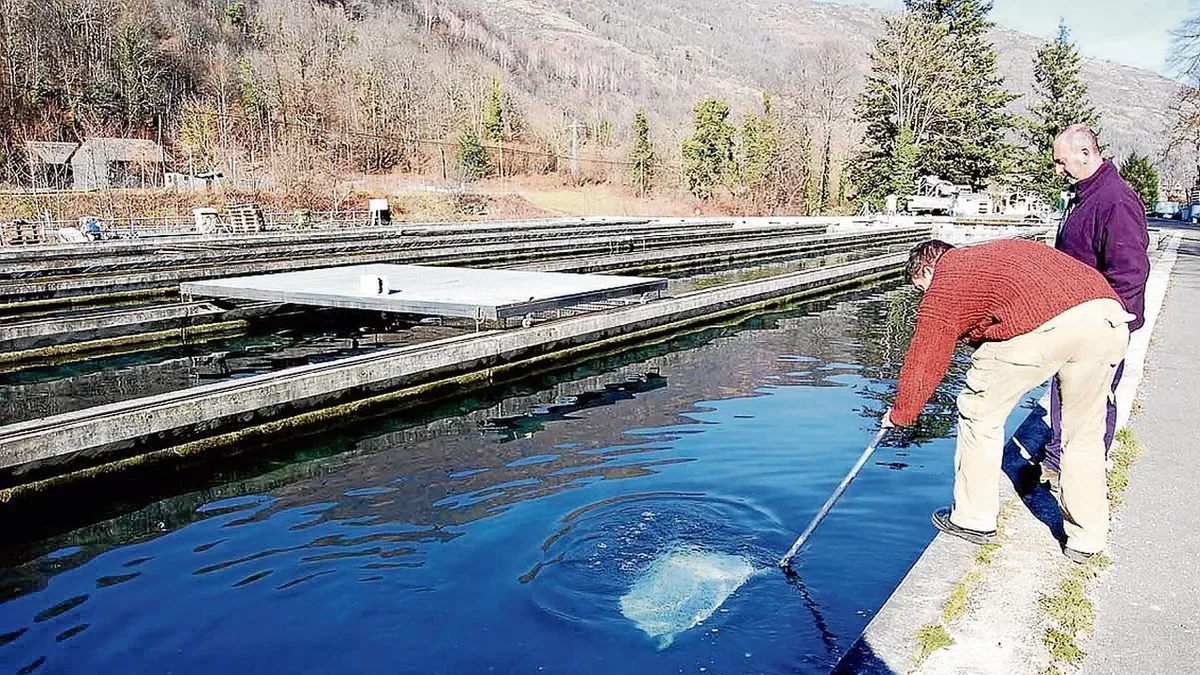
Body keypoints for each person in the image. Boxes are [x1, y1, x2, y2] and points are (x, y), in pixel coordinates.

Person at [882, 239, 1132, 562]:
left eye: (921, 289)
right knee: (1083, 433)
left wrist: (902, 412)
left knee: (979, 413)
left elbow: (926, 352)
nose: (925, 298)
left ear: (928, 268)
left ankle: (974, 519)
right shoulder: (991, 256)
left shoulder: (947, 274)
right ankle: (1087, 538)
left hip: (1051, 323)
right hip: (1108, 317)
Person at [1041, 125, 1150, 488]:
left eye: (1062, 162)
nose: (1058, 170)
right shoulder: (1086, 196)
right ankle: (1059, 460)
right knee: (1065, 392)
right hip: (1076, 319)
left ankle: (1082, 473)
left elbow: (1131, 272)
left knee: (1091, 400)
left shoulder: (1115, 200)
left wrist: (1112, 325)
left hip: (1101, 323)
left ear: (1086, 153)